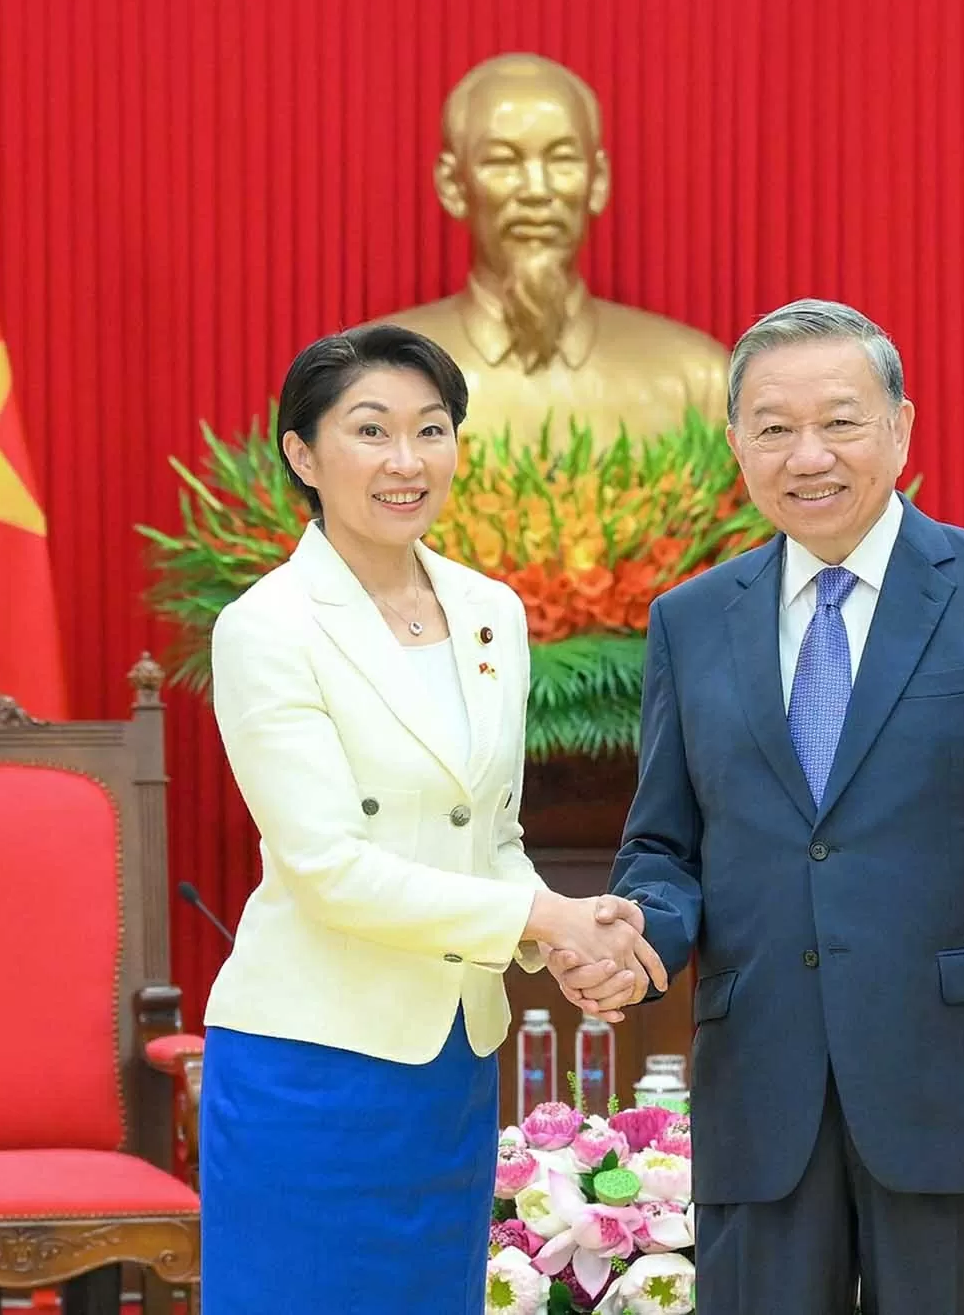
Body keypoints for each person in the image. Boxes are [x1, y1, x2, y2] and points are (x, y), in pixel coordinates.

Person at [552, 299, 964, 1312]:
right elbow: (664, 848)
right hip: (760, 1104)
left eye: (839, 421)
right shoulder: (689, 621)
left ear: (900, 428)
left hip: (955, 1101)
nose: (806, 455)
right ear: (735, 445)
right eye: (772, 427)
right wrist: (636, 939)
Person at [198, 324, 666, 1312]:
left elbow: (486, 836)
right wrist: (549, 922)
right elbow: (328, 869)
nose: (406, 462)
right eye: (370, 431)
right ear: (302, 454)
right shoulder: (267, 628)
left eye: (431, 429)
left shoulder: (488, 609)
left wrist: (571, 936)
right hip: (312, 1062)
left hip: (448, 1054)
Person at [374, 51, 728, 448]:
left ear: (598, 181)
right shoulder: (365, 380)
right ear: (453, 186)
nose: (537, 191)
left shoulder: (698, 385)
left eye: (562, 160)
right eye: (502, 162)